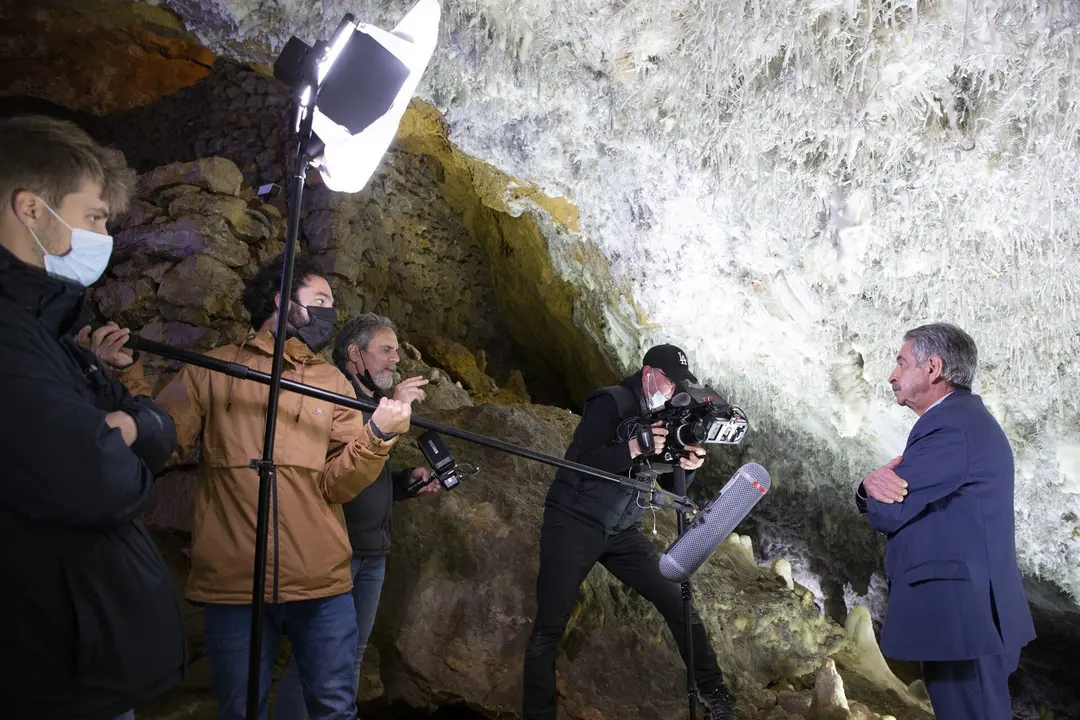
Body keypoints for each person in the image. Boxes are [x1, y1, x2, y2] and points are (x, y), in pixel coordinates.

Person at [86, 256, 413, 720]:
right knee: (241, 711)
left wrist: (376, 437)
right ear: (282, 300)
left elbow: (337, 486)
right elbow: (162, 441)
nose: (330, 313)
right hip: (236, 583)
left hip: (320, 581)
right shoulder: (214, 369)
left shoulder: (330, 381)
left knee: (335, 710)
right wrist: (126, 376)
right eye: (320, 300)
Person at [0, 115, 186, 720]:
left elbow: (155, 427)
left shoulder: (46, 329)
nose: (104, 235)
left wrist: (130, 427)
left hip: (78, 665)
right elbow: (96, 479)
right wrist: (127, 433)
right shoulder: (11, 334)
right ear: (31, 209)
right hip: (48, 672)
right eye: (96, 217)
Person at [522, 344, 736, 720]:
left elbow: (666, 479)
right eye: (670, 381)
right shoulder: (610, 401)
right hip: (574, 521)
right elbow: (585, 458)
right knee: (549, 626)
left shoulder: (667, 415)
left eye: (680, 383)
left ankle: (712, 690)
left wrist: (688, 465)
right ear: (649, 372)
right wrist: (634, 446)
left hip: (622, 528)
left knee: (677, 601)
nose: (674, 389)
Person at [856, 323, 1035, 720]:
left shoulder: (952, 427)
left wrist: (868, 488)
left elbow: (890, 508)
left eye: (902, 362)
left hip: (966, 622)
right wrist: (872, 488)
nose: (892, 375)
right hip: (966, 619)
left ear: (933, 368)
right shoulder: (964, 421)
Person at [274, 312, 439, 719]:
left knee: (352, 655)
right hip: (337, 552)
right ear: (355, 353)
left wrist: (404, 483)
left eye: (396, 350)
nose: (395, 359)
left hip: (371, 553)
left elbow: (364, 475)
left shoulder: (372, 406)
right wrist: (394, 409)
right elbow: (333, 475)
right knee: (317, 656)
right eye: (386, 349)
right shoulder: (335, 397)